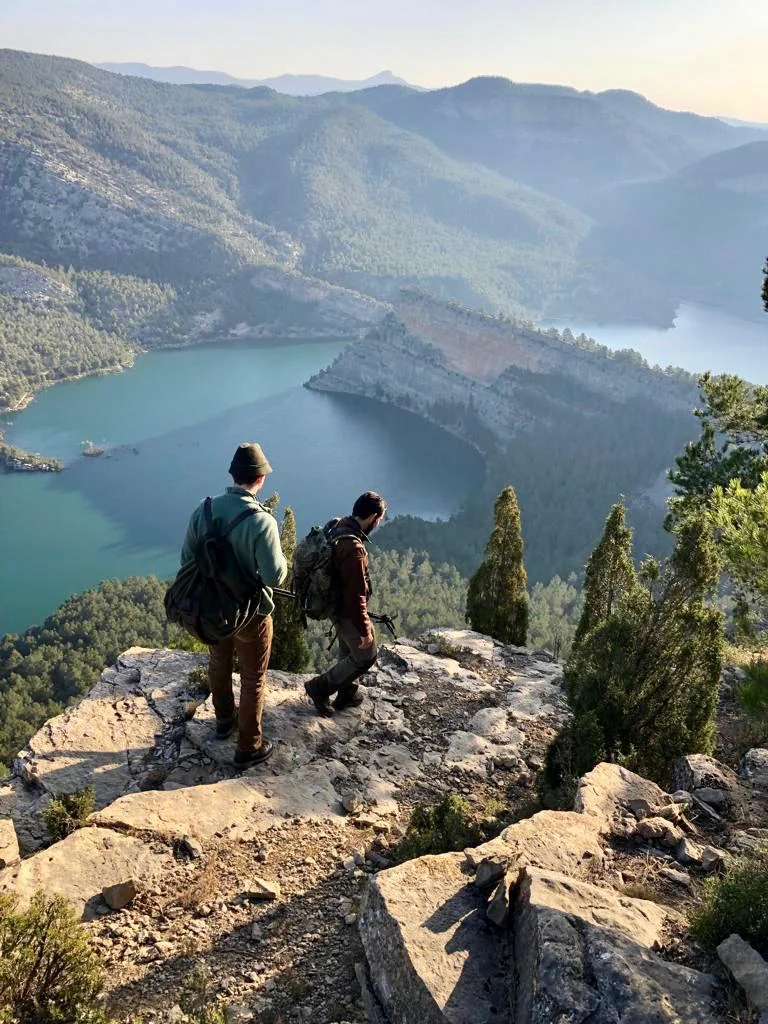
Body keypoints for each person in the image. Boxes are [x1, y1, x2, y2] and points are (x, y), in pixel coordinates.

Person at [180, 442, 287, 767]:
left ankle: (223, 721)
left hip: (212, 607)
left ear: (232, 475)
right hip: (251, 613)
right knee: (253, 677)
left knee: (218, 660)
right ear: (260, 479)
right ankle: (249, 746)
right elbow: (274, 576)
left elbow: (187, 559)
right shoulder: (261, 521)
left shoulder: (205, 509)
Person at [304, 491, 387, 716]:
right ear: (372, 517)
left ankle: (347, 694)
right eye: (379, 519)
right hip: (347, 609)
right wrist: (364, 630)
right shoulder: (354, 549)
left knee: (347, 649)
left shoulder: (338, 525)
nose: (378, 523)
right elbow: (356, 595)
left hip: (333, 604)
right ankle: (319, 687)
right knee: (366, 654)